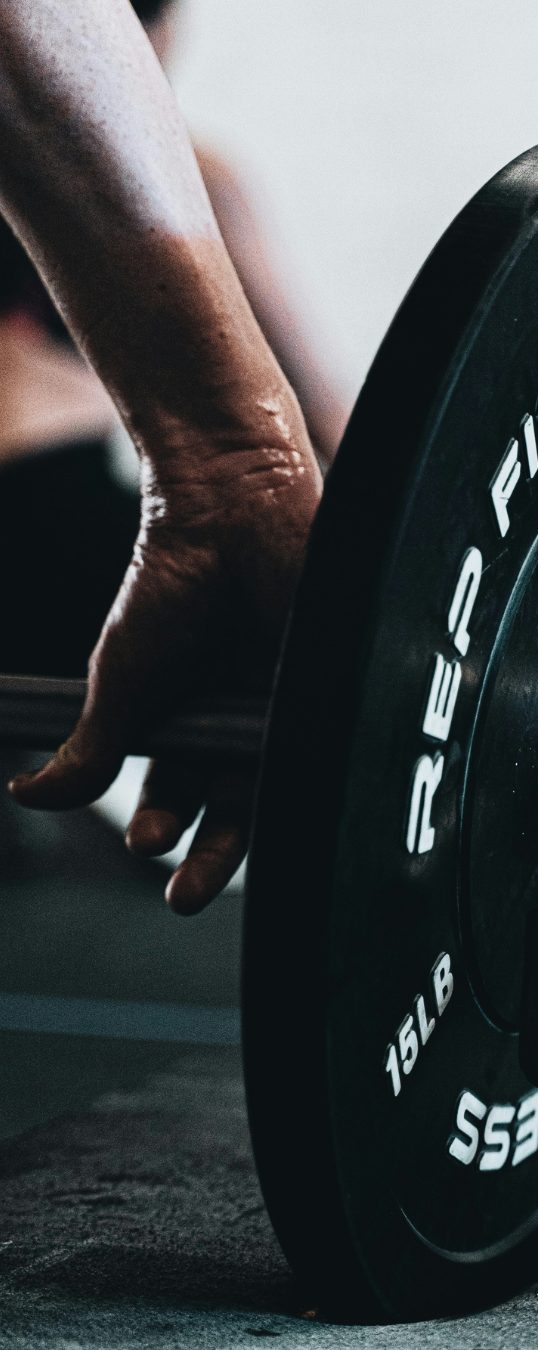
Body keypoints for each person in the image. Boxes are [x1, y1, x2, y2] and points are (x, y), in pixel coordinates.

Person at [0, 0, 324, 914]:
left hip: (65, 516)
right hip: (68, 515)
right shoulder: (197, 175)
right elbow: (327, 407)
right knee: (252, 688)